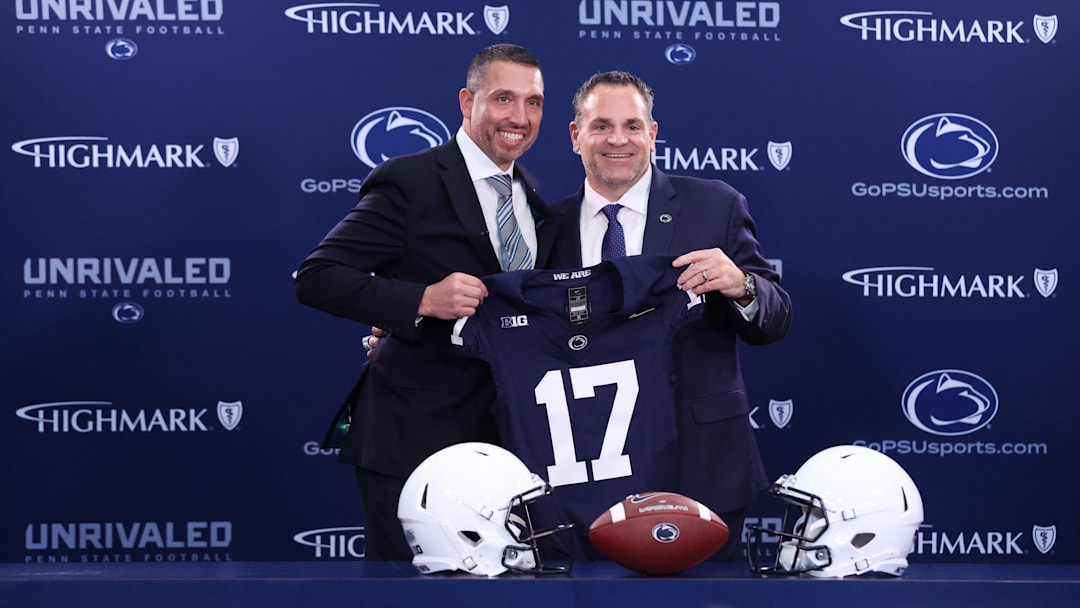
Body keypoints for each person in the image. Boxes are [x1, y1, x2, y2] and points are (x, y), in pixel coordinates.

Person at [293, 43, 557, 561]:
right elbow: (317, 276)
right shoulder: (410, 180)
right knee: (407, 594)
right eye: (504, 98)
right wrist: (421, 299)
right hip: (412, 433)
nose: (520, 117)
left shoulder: (532, 195)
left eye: (534, 102)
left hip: (505, 439)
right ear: (467, 102)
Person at [549, 70, 793, 561]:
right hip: (584, 468)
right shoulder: (543, 226)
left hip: (702, 464)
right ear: (576, 136)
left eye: (632, 126)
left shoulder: (715, 205)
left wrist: (741, 285)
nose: (618, 140)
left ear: (653, 134)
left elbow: (776, 316)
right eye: (600, 126)